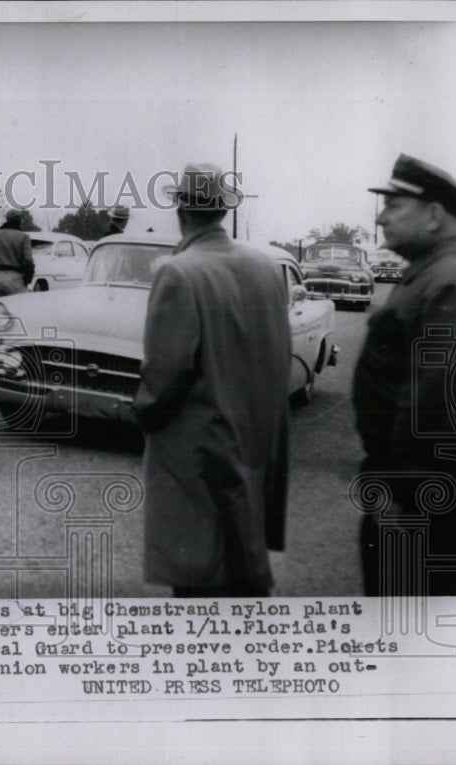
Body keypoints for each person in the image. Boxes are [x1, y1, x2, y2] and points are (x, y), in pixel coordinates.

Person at [134, 163, 290, 597]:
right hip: (254, 449)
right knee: (244, 575)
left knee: (200, 584)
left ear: (181, 209)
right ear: (222, 211)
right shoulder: (265, 267)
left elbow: (163, 378)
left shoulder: (178, 272)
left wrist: (141, 413)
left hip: (197, 459)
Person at [356, 153, 456, 597]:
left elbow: (435, 412)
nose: (383, 217)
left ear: (434, 215)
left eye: (394, 205)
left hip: (415, 510)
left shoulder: (448, 282)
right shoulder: (429, 274)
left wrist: (403, 500)